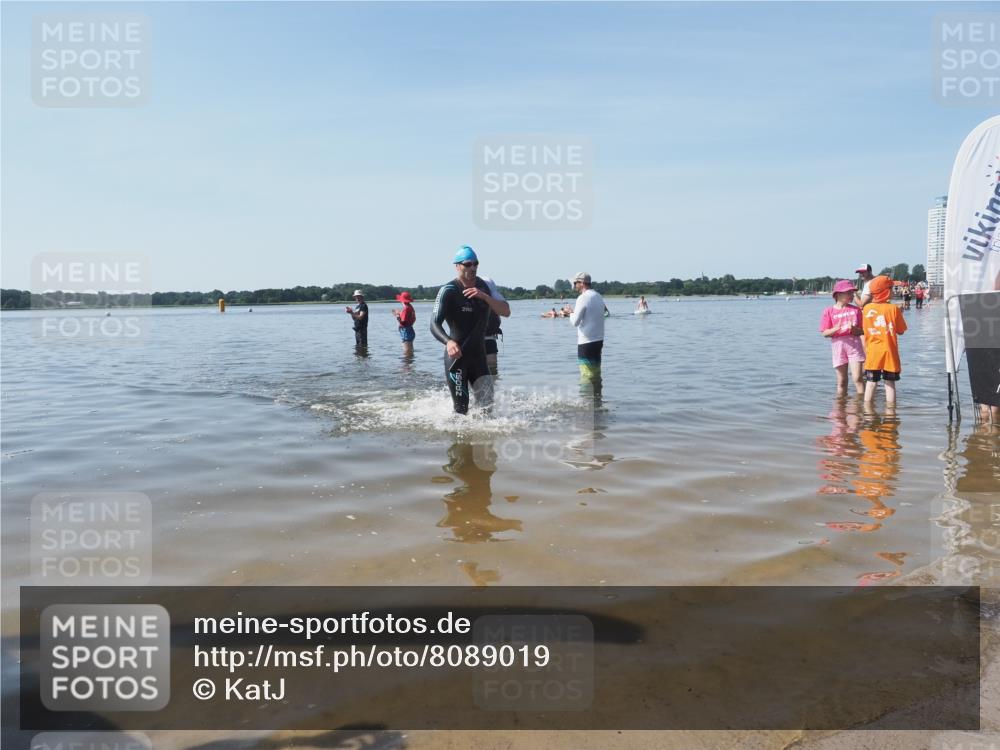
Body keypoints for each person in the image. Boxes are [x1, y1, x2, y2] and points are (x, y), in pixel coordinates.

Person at [430, 246, 509, 415]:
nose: (473, 268)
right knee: (461, 410)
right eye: (468, 264)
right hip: (457, 359)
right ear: (457, 266)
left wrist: (485, 297)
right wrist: (448, 341)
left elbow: (506, 311)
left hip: (479, 357)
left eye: (476, 264)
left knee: (487, 407)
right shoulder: (448, 291)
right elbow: (434, 324)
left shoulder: (485, 286)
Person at [861, 276, 907, 406]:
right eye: (891, 288)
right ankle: (891, 414)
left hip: (873, 352)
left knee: (870, 383)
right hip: (889, 352)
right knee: (889, 383)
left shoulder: (866, 309)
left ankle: (867, 412)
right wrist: (899, 314)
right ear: (886, 291)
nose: (893, 291)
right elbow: (901, 331)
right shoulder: (893, 309)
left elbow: (865, 329)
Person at [820, 280, 865, 396]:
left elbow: (863, 330)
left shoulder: (856, 310)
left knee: (858, 378)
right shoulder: (828, 311)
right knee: (842, 381)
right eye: (848, 292)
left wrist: (855, 330)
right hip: (838, 347)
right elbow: (824, 333)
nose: (852, 295)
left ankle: (862, 406)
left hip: (854, 346)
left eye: (852, 292)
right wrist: (834, 329)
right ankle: (840, 406)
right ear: (838, 294)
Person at [569, 272, 606, 383]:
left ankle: (586, 399)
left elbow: (575, 322)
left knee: (586, 376)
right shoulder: (598, 296)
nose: (575, 286)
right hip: (598, 341)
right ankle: (597, 399)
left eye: (576, 283)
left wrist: (570, 313)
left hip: (586, 342)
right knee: (595, 373)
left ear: (583, 283)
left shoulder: (583, 298)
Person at [478, 275, 511, 376]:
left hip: (489, 338)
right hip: (469, 341)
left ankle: (493, 391)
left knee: (492, 375)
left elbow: (506, 312)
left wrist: (485, 297)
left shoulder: (489, 287)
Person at [393, 291, 416, 355]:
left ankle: (406, 363)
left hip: (406, 331)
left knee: (406, 351)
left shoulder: (406, 309)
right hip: (410, 329)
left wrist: (397, 316)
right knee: (410, 350)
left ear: (402, 301)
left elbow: (403, 322)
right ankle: (410, 363)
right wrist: (399, 313)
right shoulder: (410, 307)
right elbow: (412, 319)